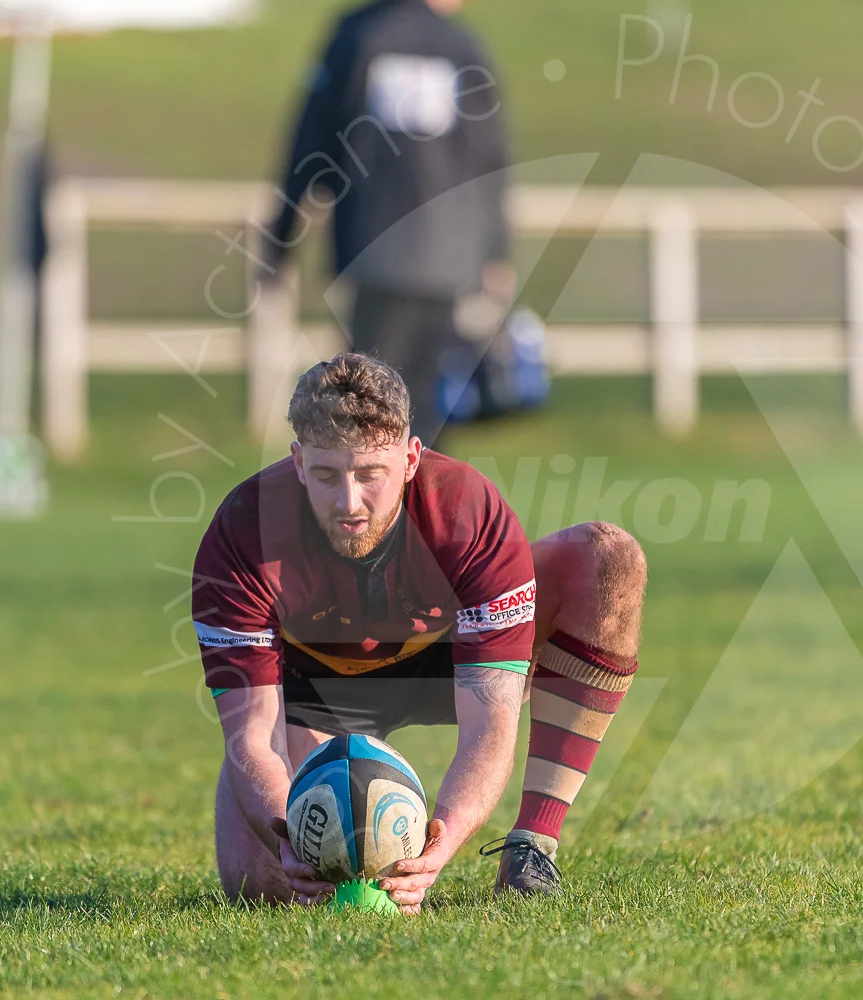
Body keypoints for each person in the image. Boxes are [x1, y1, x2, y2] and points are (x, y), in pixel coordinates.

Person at [195, 354, 646, 912]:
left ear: (410, 459)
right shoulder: (243, 531)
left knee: (607, 558)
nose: (349, 502)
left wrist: (444, 839)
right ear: (297, 460)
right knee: (265, 887)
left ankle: (533, 843)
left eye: (369, 474)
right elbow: (252, 735)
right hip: (315, 689)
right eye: (327, 475)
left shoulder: (468, 513)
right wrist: (284, 834)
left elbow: (491, 718)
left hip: (446, 659)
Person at [263, 0, 513, 448]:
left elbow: (311, 141)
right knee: (428, 411)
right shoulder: (463, 47)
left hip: (376, 246)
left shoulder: (359, 36)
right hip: (450, 256)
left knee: (367, 405)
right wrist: (494, 252)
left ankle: (378, 512)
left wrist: (281, 234)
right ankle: (426, 512)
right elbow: (489, 160)